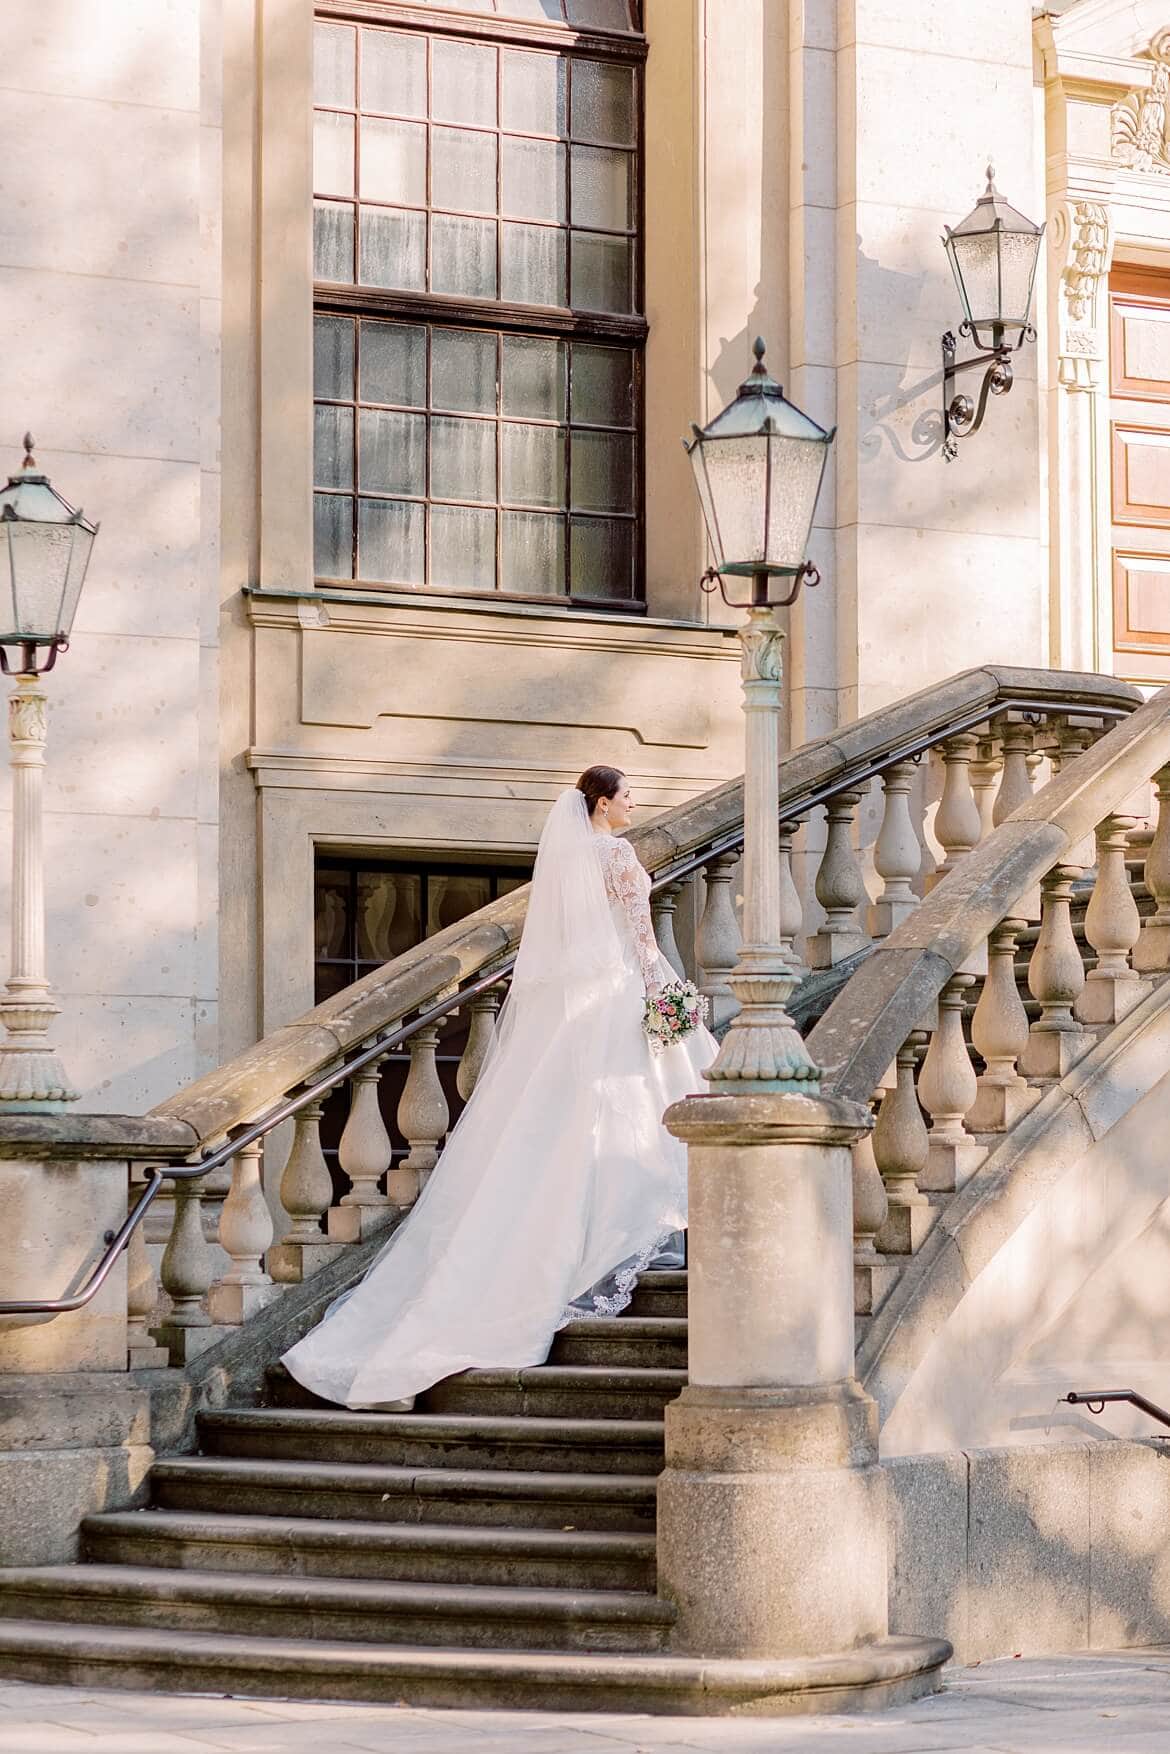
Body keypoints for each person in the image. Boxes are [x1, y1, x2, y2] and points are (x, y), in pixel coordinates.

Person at [282, 766, 716, 1409]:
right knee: (642, 1107)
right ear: (601, 804)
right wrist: (667, 994)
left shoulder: (567, 862)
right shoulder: (617, 855)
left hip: (578, 1006)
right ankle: (626, 1231)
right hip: (622, 993)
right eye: (626, 797)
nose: (632, 807)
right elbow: (643, 940)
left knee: (573, 1122)